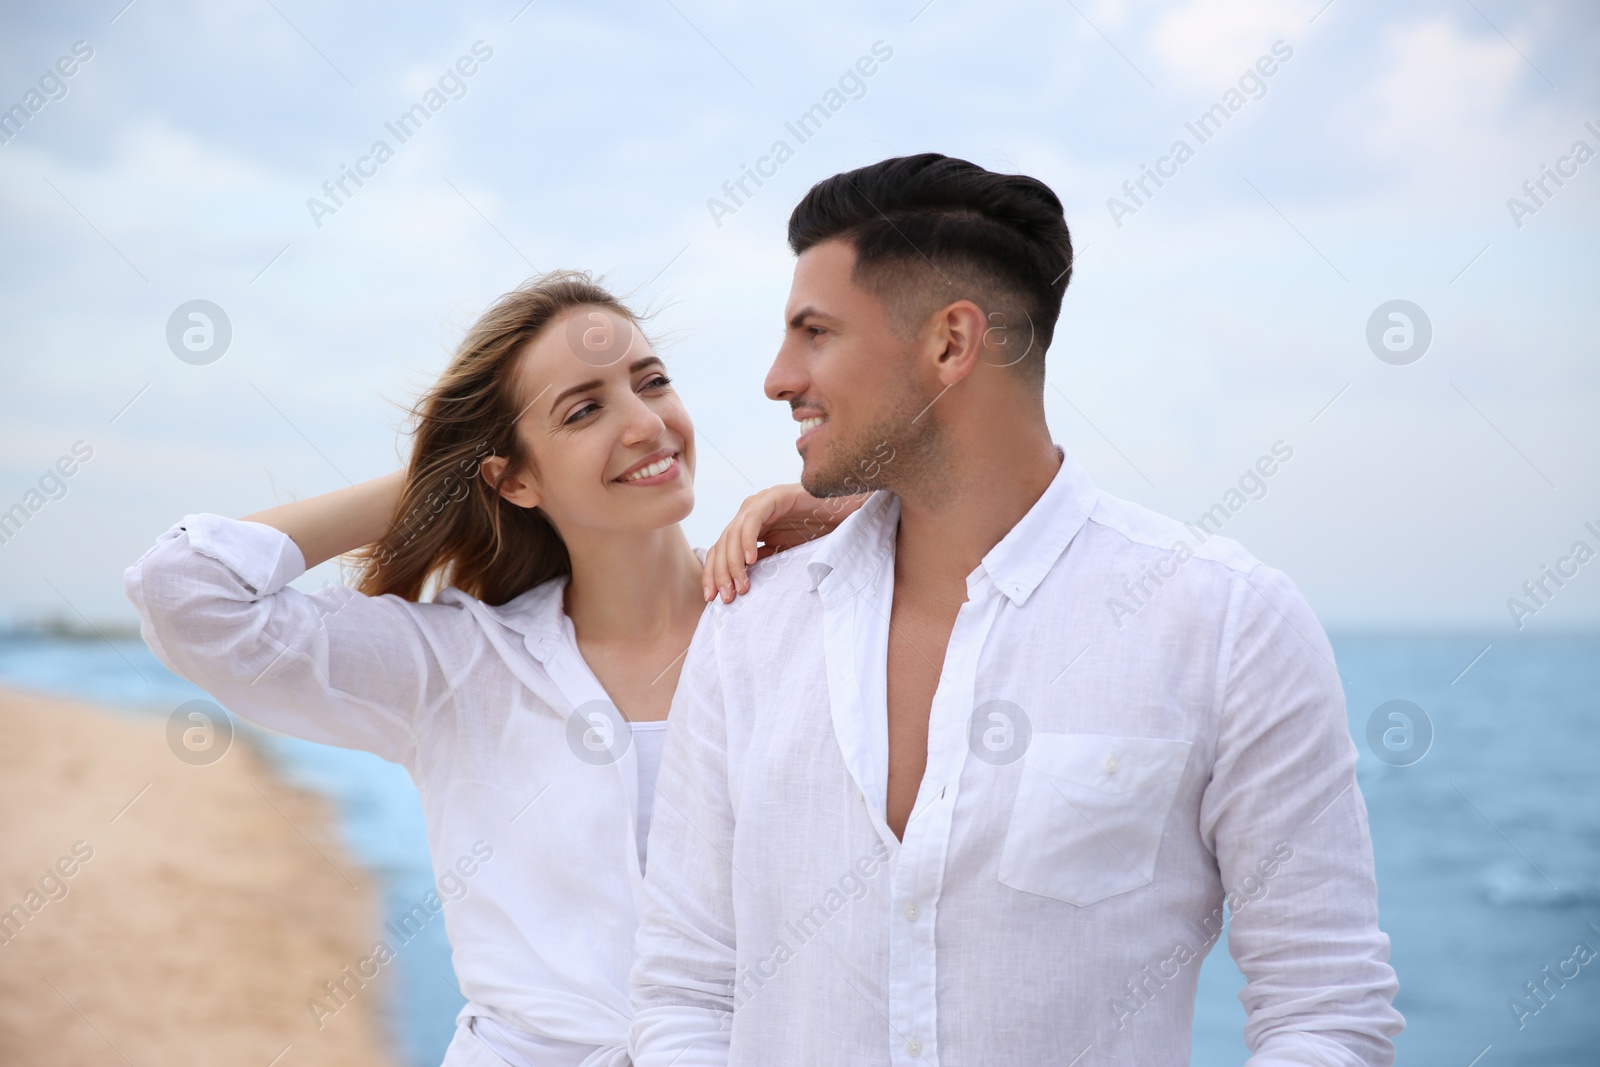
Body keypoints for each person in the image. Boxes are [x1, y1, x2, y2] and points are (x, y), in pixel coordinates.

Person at [631, 154, 1405, 1066]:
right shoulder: (750, 627)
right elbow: (685, 988)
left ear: (953, 344)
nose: (776, 376)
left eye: (815, 333)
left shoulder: (1226, 625)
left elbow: (1326, 1009)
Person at [123, 271, 857, 1067]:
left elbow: (991, 563)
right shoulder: (457, 666)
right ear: (514, 477)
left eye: (652, 383)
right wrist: (444, 475)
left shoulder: (803, 616)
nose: (647, 423)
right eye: (585, 409)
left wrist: (851, 516)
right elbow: (187, 592)